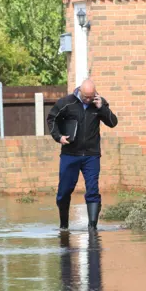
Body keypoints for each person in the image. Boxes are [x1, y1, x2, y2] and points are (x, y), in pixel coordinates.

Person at [47, 79, 118, 230]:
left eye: (90, 97)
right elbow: (52, 119)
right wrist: (58, 137)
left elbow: (113, 122)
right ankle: (64, 225)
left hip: (91, 155)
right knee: (64, 191)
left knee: (93, 190)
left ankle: (92, 227)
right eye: (85, 97)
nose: (87, 100)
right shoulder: (66, 103)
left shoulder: (99, 103)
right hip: (70, 154)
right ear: (79, 91)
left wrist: (102, 108)